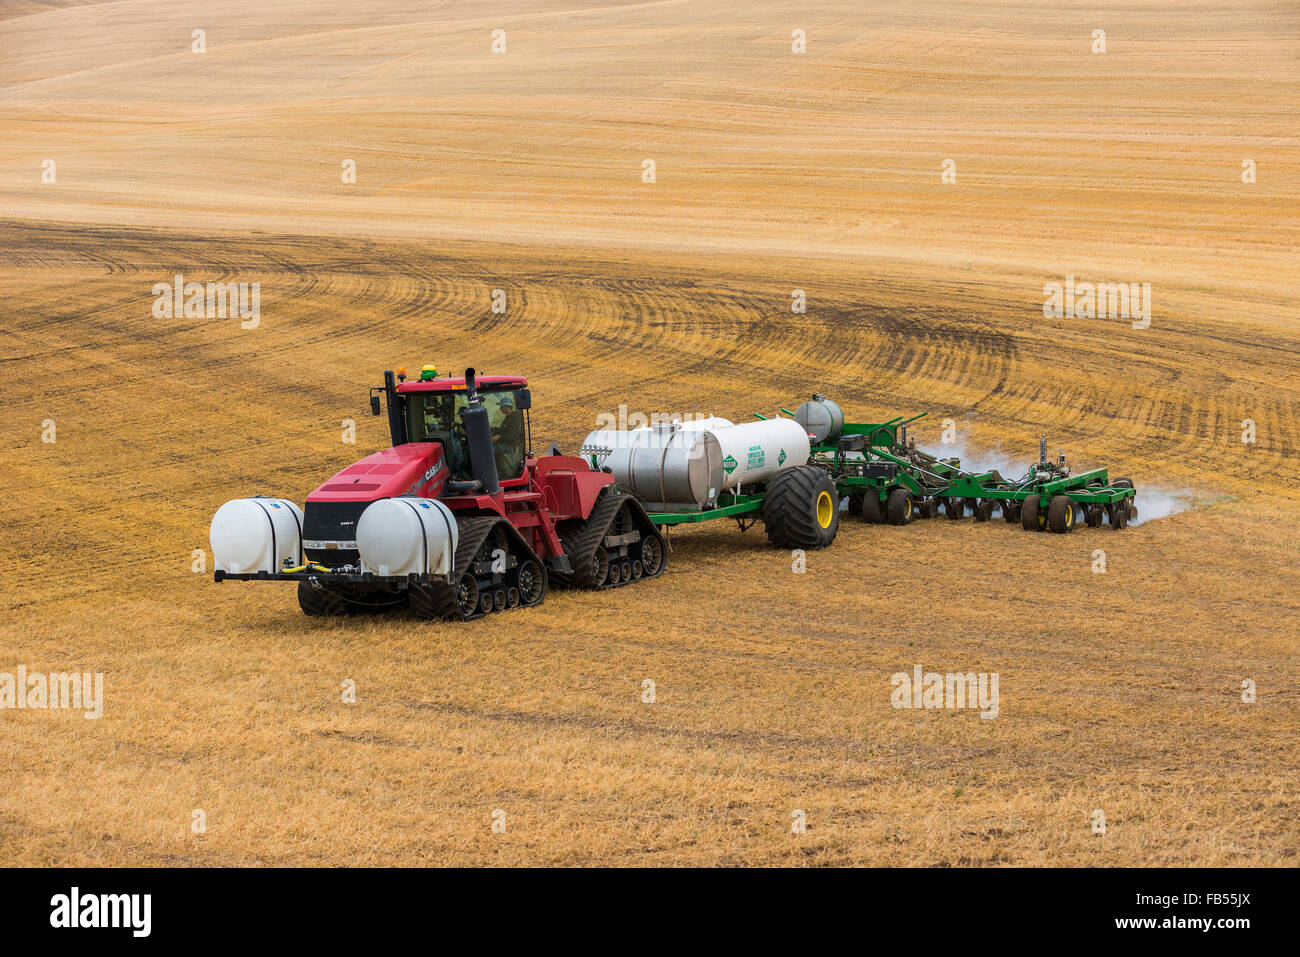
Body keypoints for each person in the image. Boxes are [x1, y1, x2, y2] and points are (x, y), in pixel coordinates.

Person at [493, 399, 525, 477]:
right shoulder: (507, 418)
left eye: (501, 406)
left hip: (511, 446)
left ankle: (496, 472)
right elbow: (503, 431)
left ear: (507, 407)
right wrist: (492, 429)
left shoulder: (515, 417)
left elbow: (512, 436)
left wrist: (499, 437)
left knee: (491, 449)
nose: (500, 408)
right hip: (505, 443)